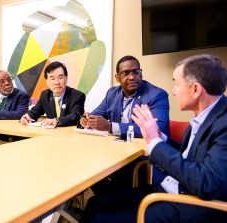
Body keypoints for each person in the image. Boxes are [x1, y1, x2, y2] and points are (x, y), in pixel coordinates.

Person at [82, 54, 227, 223]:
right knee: (94, 204)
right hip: (169, 188)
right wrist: (160, 137)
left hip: (187, 206)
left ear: (195, 89)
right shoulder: (205, 116)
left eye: (177, 84)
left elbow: (206, 184)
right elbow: (189, 155)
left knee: (98, 220)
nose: (173, 91)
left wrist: (155, 143)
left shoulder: (223, 124)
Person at [80, 55, 170, 194]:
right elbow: (97, 113)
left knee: (111, 173)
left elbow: (156, 128)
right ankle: (107, 201)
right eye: (126, 73)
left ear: (141, 73)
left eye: (136, 72)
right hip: (117, 152)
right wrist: (88, 119)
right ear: (117, 78)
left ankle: (116, 202)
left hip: (142, 159)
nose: (132, 77)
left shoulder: (156, 95)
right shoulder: (112, 93)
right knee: (87, 164)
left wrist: (110, 126)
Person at [20, 61, 85, 128]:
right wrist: (28, 117)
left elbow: (75, 116)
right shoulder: (45, 95)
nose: (56, 82)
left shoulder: (77, 96)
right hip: (50, 134)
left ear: (66, 78)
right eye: (52, 79)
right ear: (47, 81)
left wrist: (56, 121)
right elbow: (35, 111)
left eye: (60, 78)